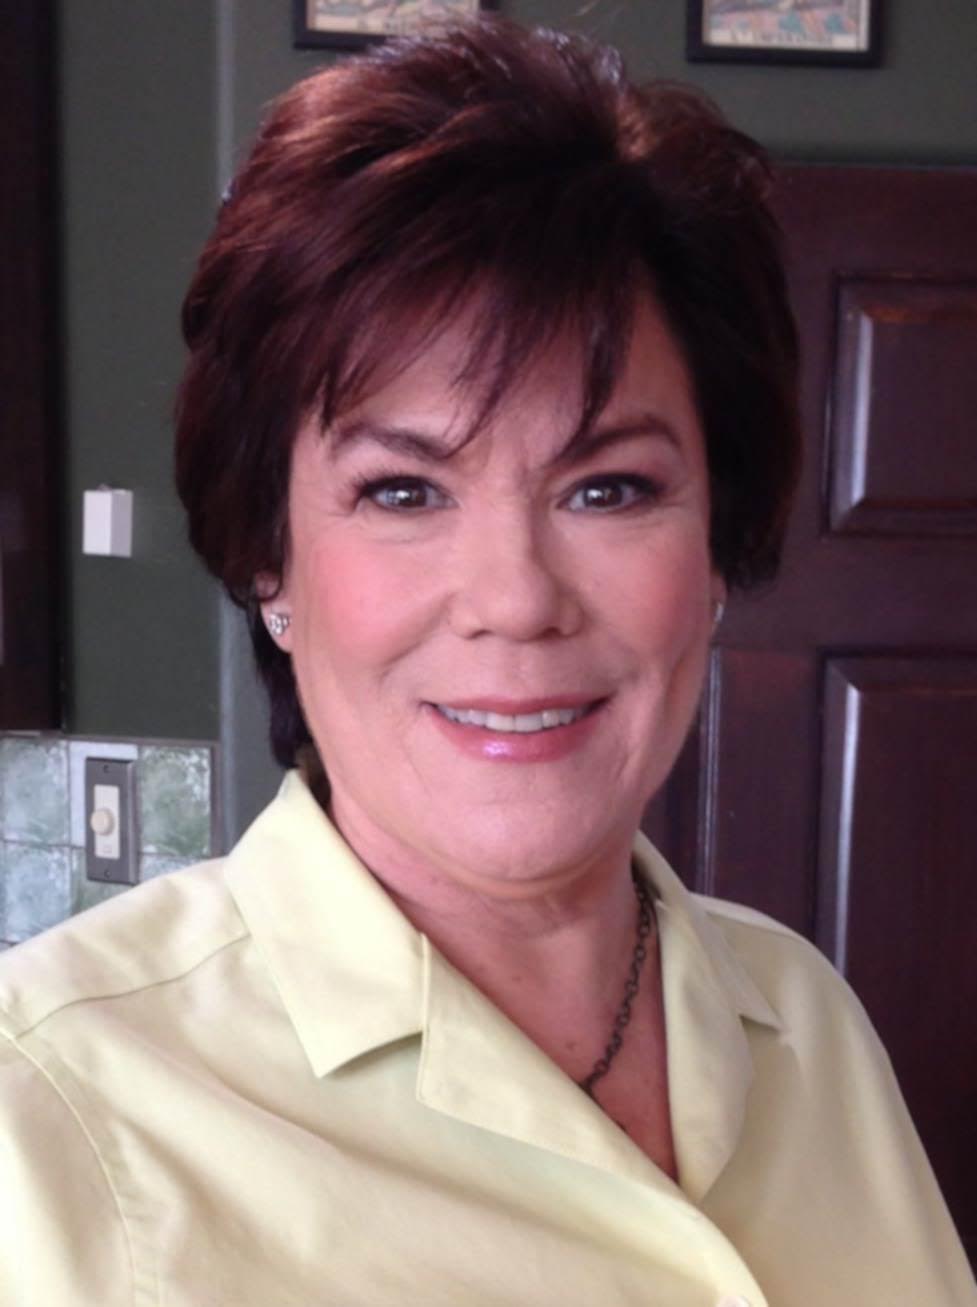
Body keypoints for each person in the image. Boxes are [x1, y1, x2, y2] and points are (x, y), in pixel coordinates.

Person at [0, 19, 973, 1307]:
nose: (516, 601)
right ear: (270, 561)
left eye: (609, 487)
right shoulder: (40, 1110)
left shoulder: (808, 1021)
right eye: (403, 492)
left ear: (717, 549)